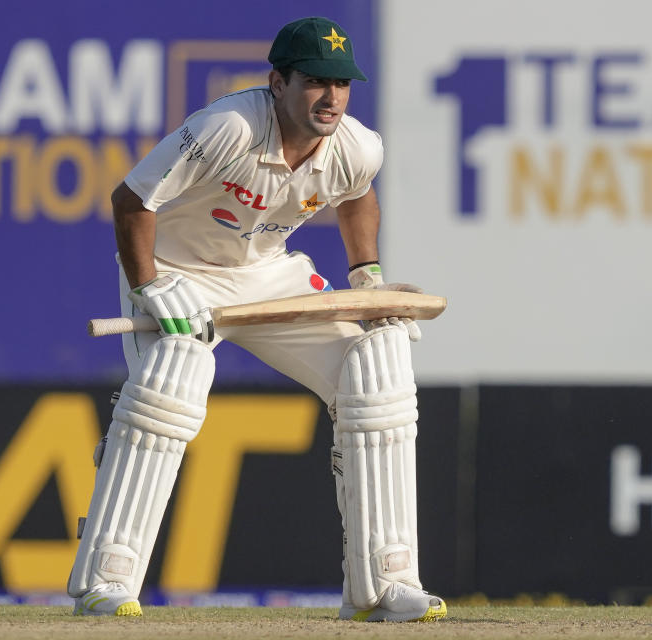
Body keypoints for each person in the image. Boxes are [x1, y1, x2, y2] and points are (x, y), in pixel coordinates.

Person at [67, 16, 447, 623]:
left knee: (378, 363)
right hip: (177, 270)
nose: (331, 98)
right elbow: (133, 200)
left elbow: (358, 193)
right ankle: (106, 580)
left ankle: (387, 585)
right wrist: (148, 284)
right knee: (174, 374)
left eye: (342, 84)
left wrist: (367, 276)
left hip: (267, 272)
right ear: (278, 81)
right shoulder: (227, 128)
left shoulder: (358, 144)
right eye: (316, 82)